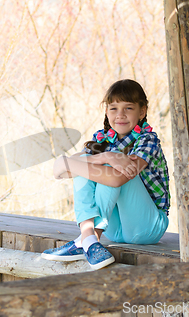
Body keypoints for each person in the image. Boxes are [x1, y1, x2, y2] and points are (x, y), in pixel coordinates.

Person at [42, 79, 170, 270]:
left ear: (142, 111)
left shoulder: (148, 140)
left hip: (147, 227)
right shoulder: (101, 140)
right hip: (114, 229)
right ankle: (88, 238)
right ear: (106, 111)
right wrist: (107, 156)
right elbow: (59, 171)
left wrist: (92, 160)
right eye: (113, 108)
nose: (120, 115)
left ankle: (84, 240)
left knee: (100, 169)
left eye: (128, 108)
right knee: (85, 169)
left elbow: (117, 179)